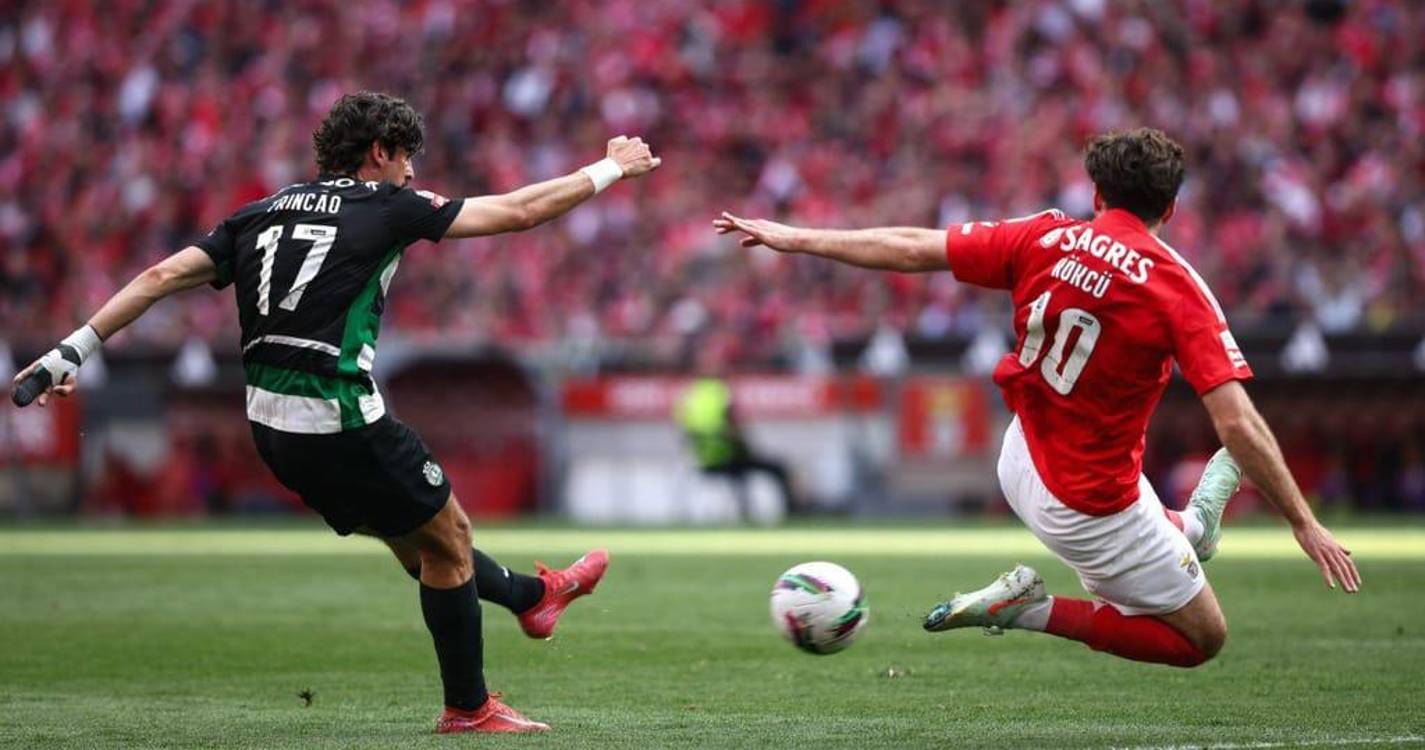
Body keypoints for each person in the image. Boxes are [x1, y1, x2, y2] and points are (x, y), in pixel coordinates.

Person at [12, 91, 661, 732]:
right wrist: (609, 168)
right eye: (405, 157)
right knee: (451, 541)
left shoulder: (257, 213)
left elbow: (158, 278)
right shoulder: (388, 206)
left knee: (421, 547)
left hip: (271, 431)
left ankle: (533, 598)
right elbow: (519, 212)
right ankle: (470, 707)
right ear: (379, 153)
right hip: (340, 418)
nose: (412, 172)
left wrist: (72, 351)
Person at [715, 127, 1360, 668]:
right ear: (1171, 209)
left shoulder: (1044, 236)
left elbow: (913, 246)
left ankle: (1197, 525)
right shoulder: (1175, 287)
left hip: (1020, 459)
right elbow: (1237, 424)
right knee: (1202, 640)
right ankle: (1032, 608)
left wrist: (796, 237)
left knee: (1179, 535)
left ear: (1097, 192)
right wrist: (1303, 522)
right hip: (1090, 507)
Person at [676, 375, 798, 521]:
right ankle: (791, 514)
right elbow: (737, 437)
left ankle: (745, 512)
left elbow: (684, 438)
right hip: (729, 460)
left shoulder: (690, 404)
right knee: (777, 468)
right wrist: (743, 443)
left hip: (704, 463)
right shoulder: (721, 403)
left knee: (740, 475)